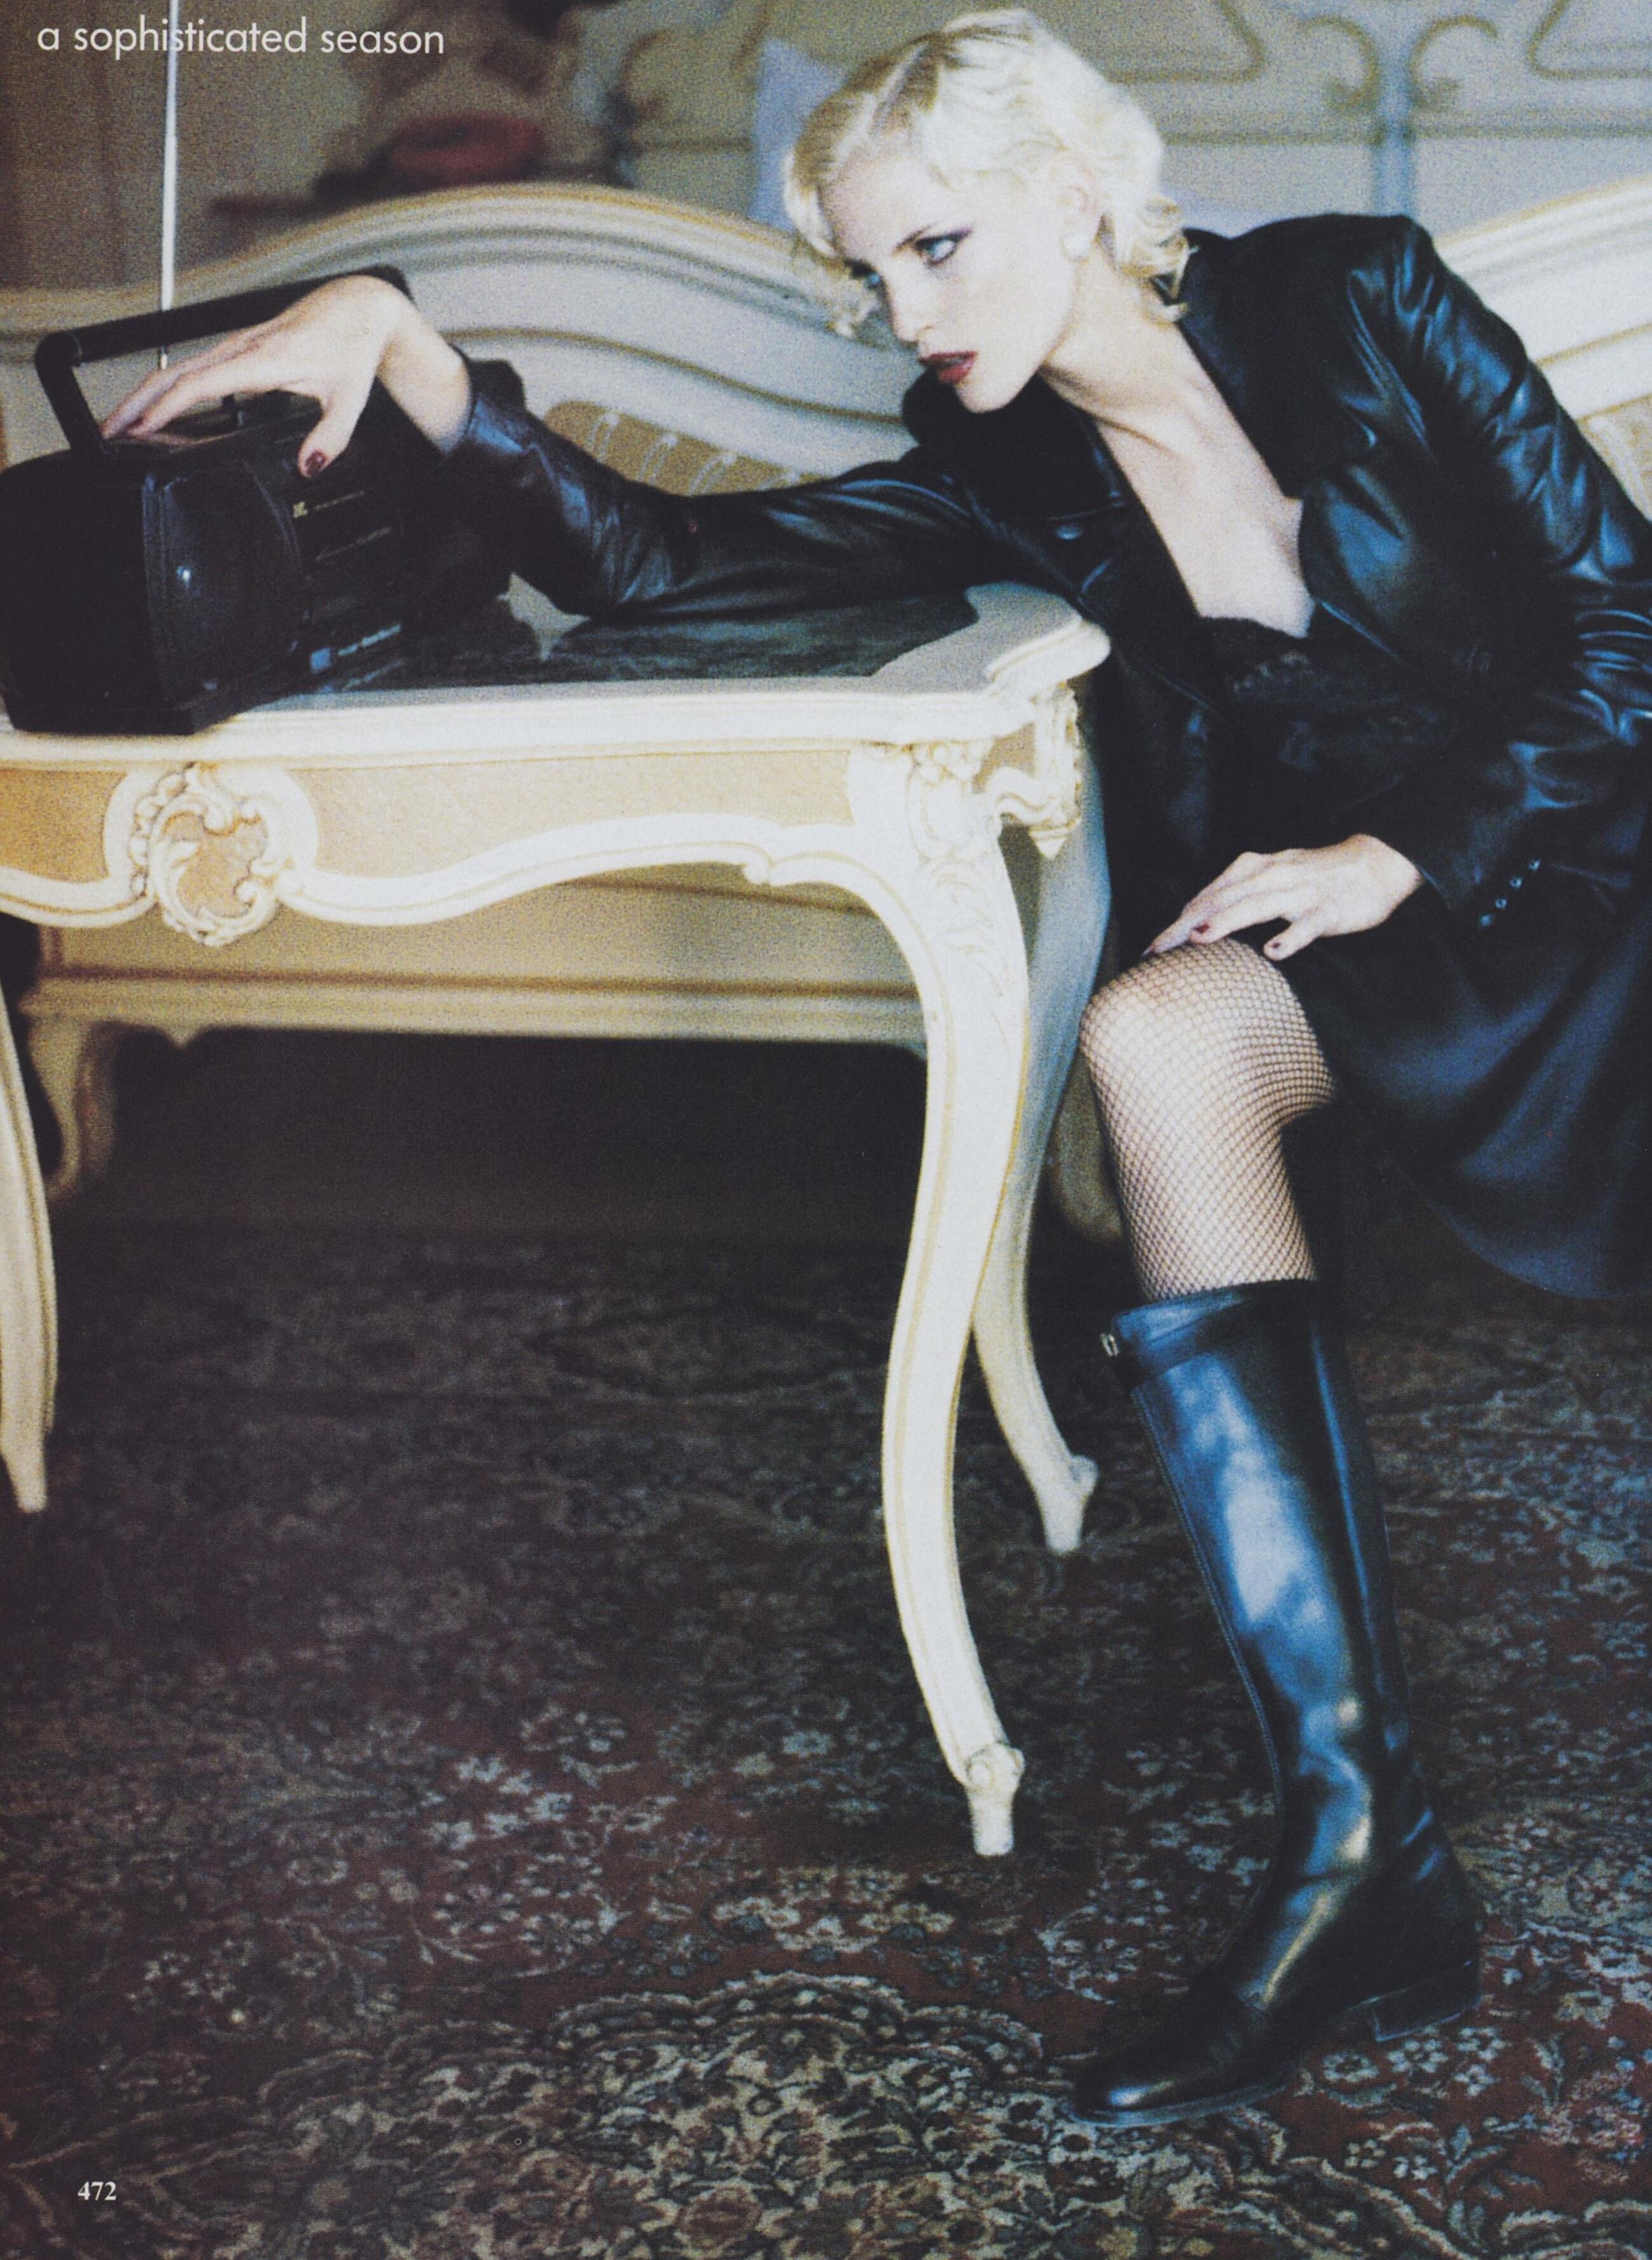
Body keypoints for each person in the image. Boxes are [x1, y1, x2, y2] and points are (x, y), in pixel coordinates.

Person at [104, 8, 1652, 2130]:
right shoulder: (1011, 455)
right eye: (870, 272)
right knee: (1156, 1037)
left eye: (935, 249)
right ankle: (1366, 1852)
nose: (904, 314)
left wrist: (1399, 852)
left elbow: (1626, 631)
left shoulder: (1361, 295)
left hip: (1574, 863)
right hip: (1374, 927)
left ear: (1075, 197)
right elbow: (668, 568)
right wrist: (408, 347)